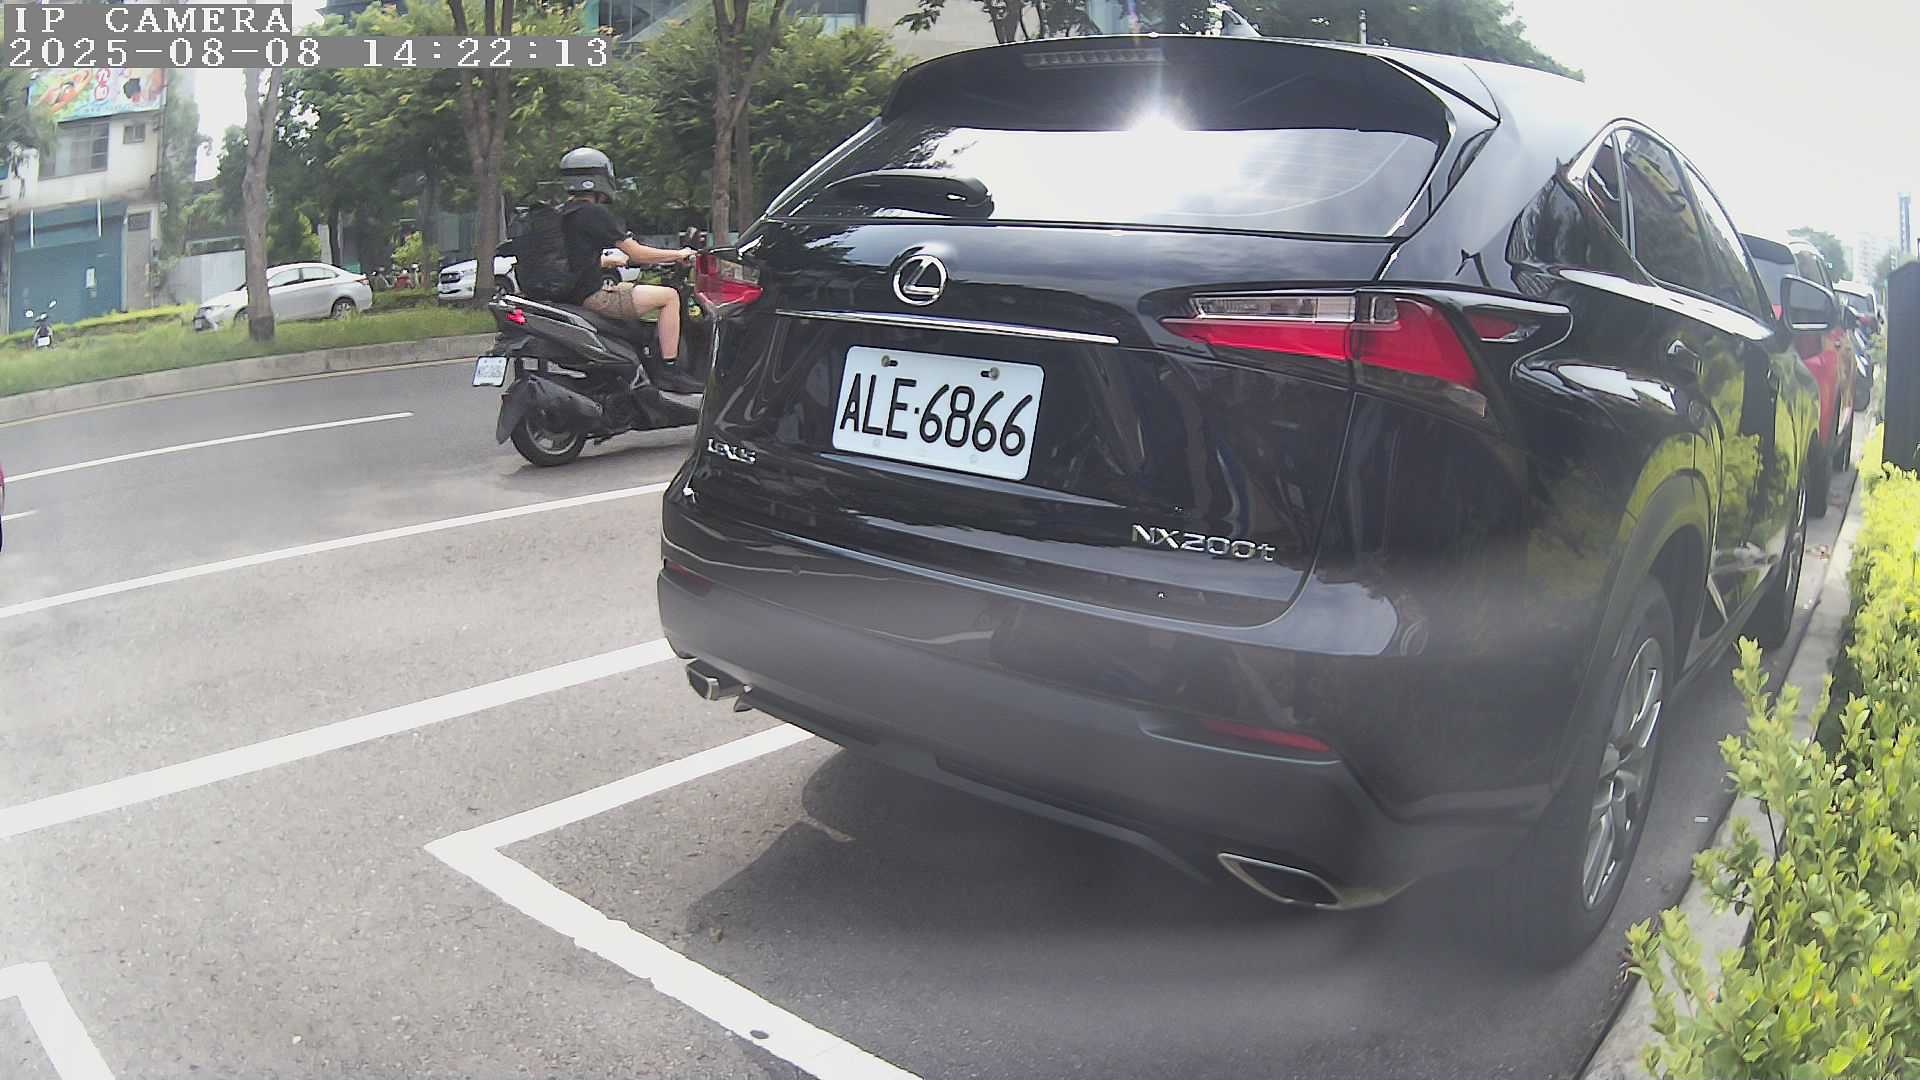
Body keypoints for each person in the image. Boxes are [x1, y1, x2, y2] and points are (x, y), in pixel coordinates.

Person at [555, 147, 698, 384]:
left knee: (633, 293)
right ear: (600, 179)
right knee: (669, 297)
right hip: (593, 296)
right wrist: (678, 254)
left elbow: (573, 256)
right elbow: (637, 253)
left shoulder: (563, 213)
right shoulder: (594, 213)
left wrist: (608, 261)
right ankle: (669, 370)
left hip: (571, 294)